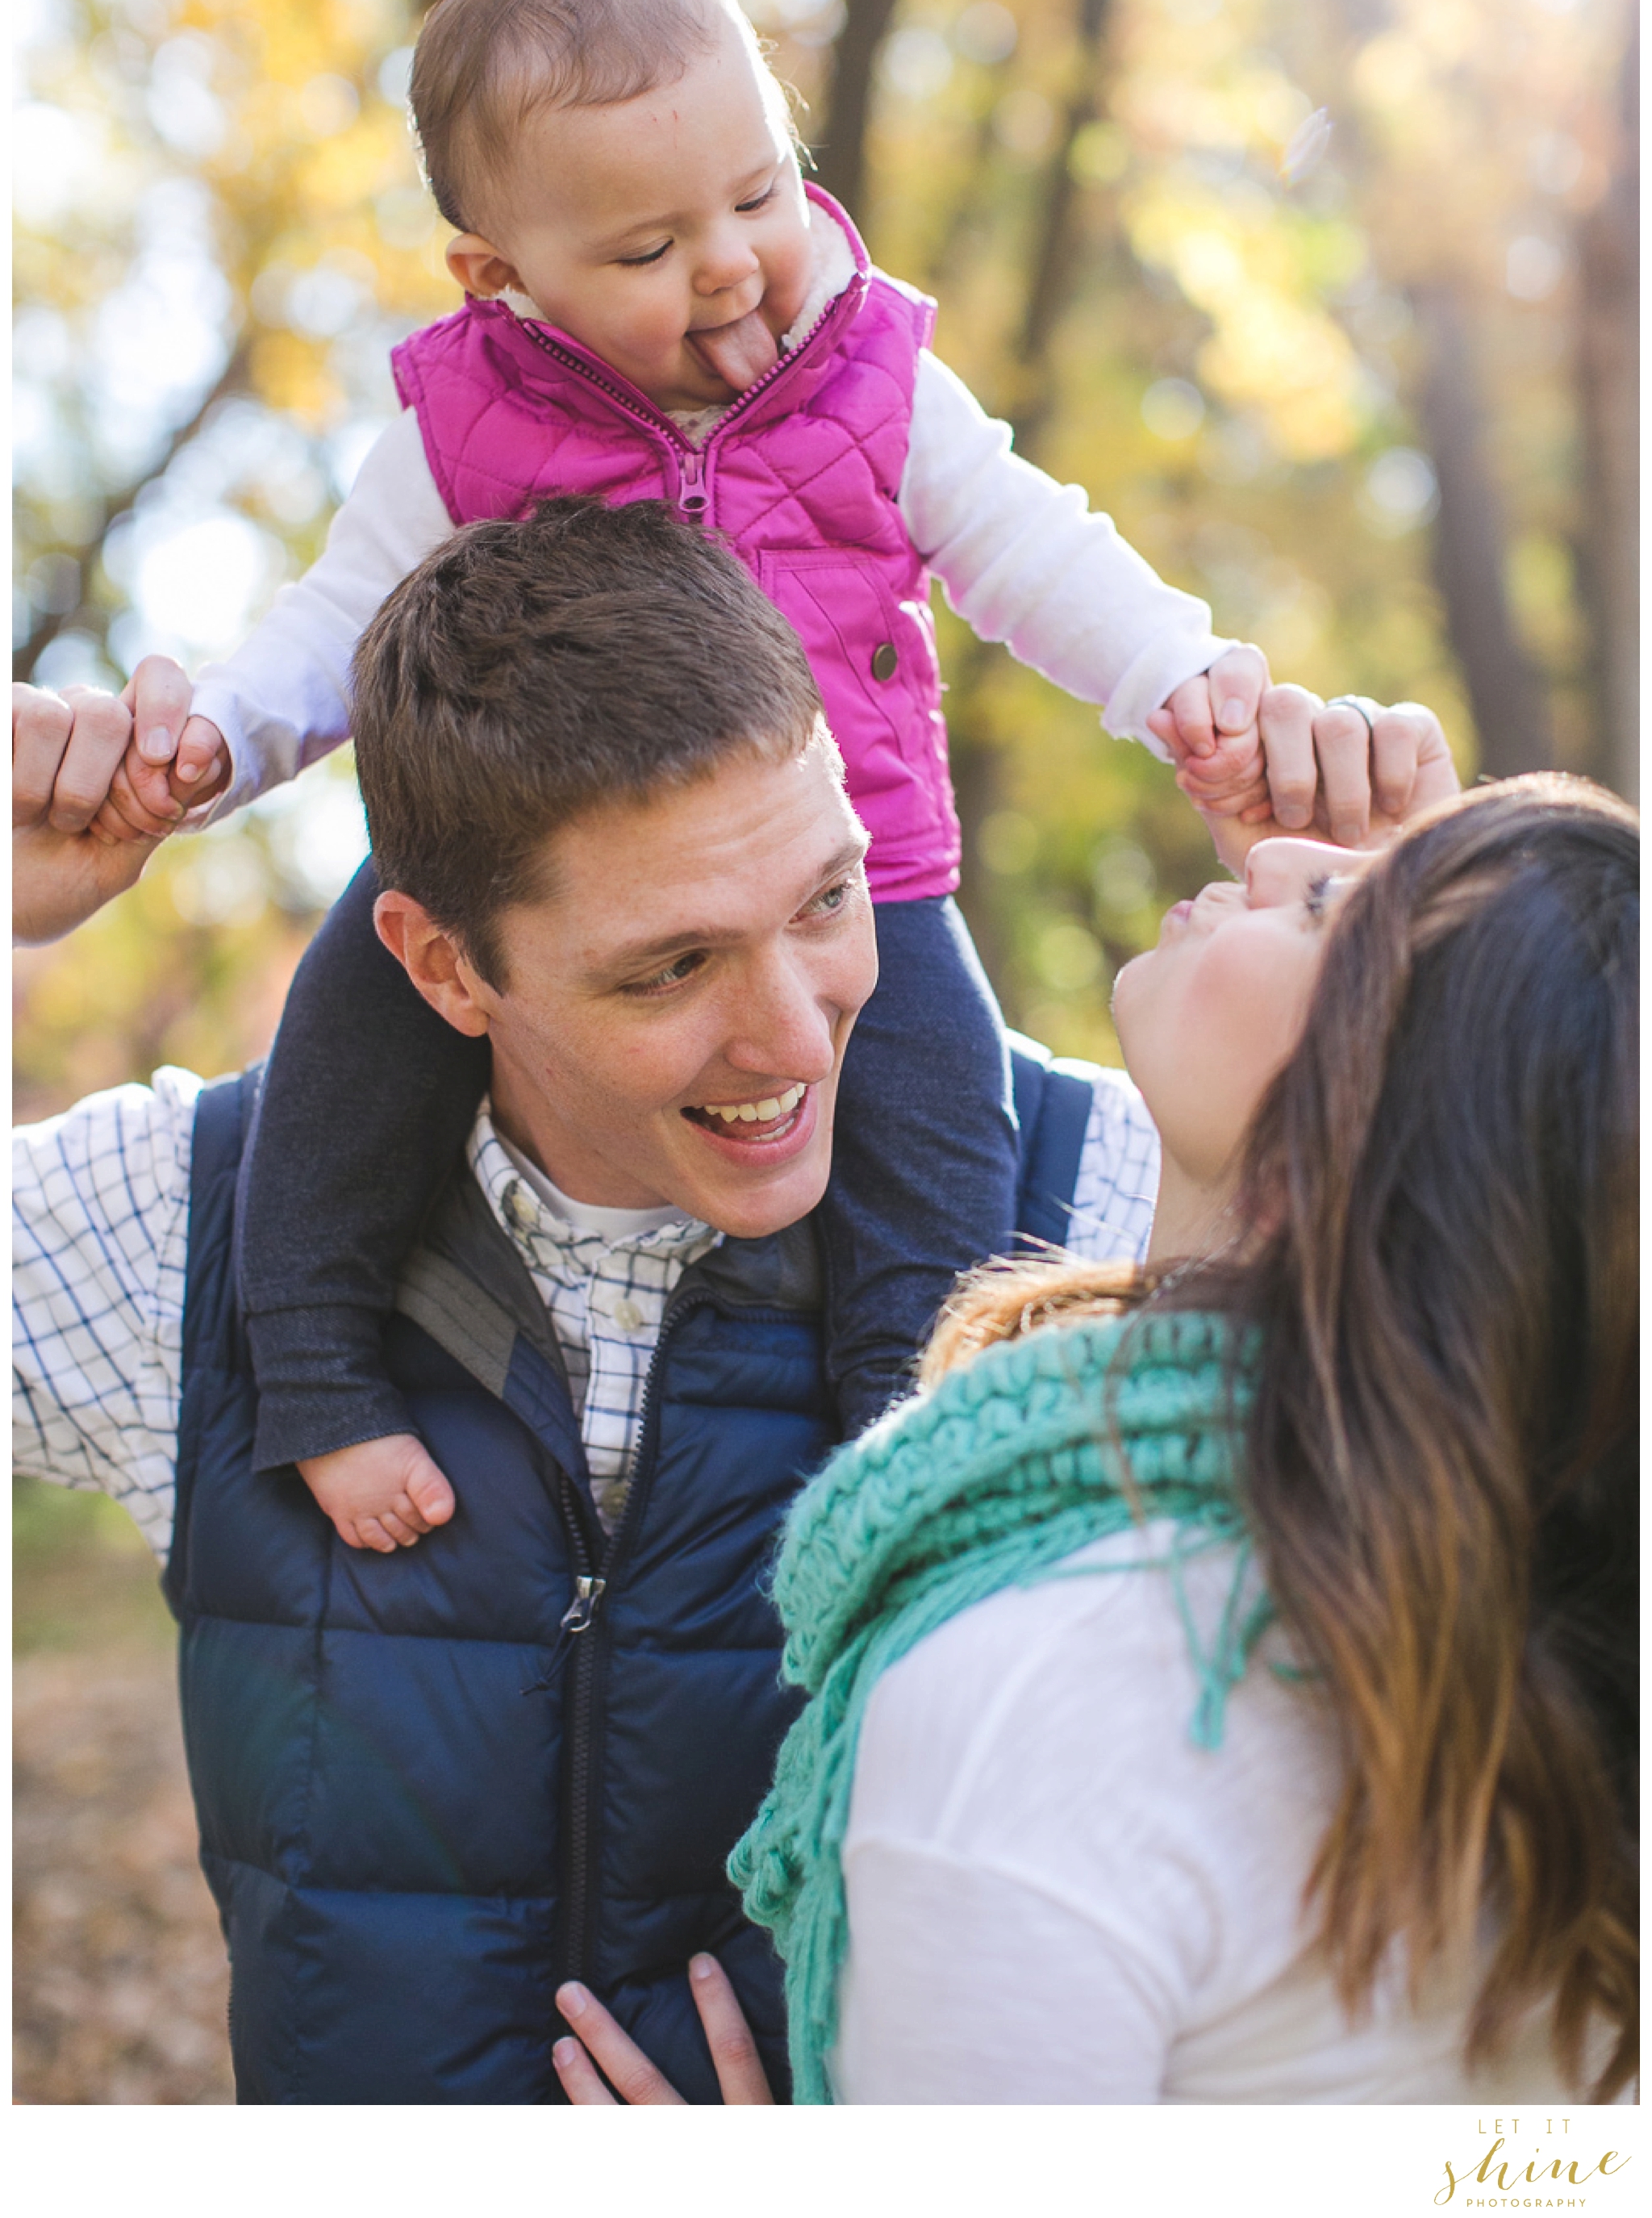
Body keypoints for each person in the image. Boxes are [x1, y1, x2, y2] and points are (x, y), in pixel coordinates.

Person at [78, 0, 1351, 1557]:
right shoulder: (465, 420)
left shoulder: (870, 373)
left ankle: (907, 1461)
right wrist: (220, 752)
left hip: (863, 862)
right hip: (516, 856)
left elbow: (1027, 543)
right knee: (338, 1062)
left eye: (757, 193)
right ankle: (316, 1374)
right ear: (499, 277)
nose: (733, 263)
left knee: (939, 1144)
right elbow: (334, 623)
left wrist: (1180, 673)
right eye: (646, 249)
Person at [10, 495, 1217, 2107]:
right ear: (445, 970)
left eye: (826, 902)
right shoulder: (192, 1226)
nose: (796, 1035)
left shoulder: (1110, 1214)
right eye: (672, 967)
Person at [544, 777, 1637, 2106]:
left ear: (1376, 1124)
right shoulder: (1510, 1611)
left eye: (1335, 899)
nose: (1286, 846)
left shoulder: (1045, 1687)